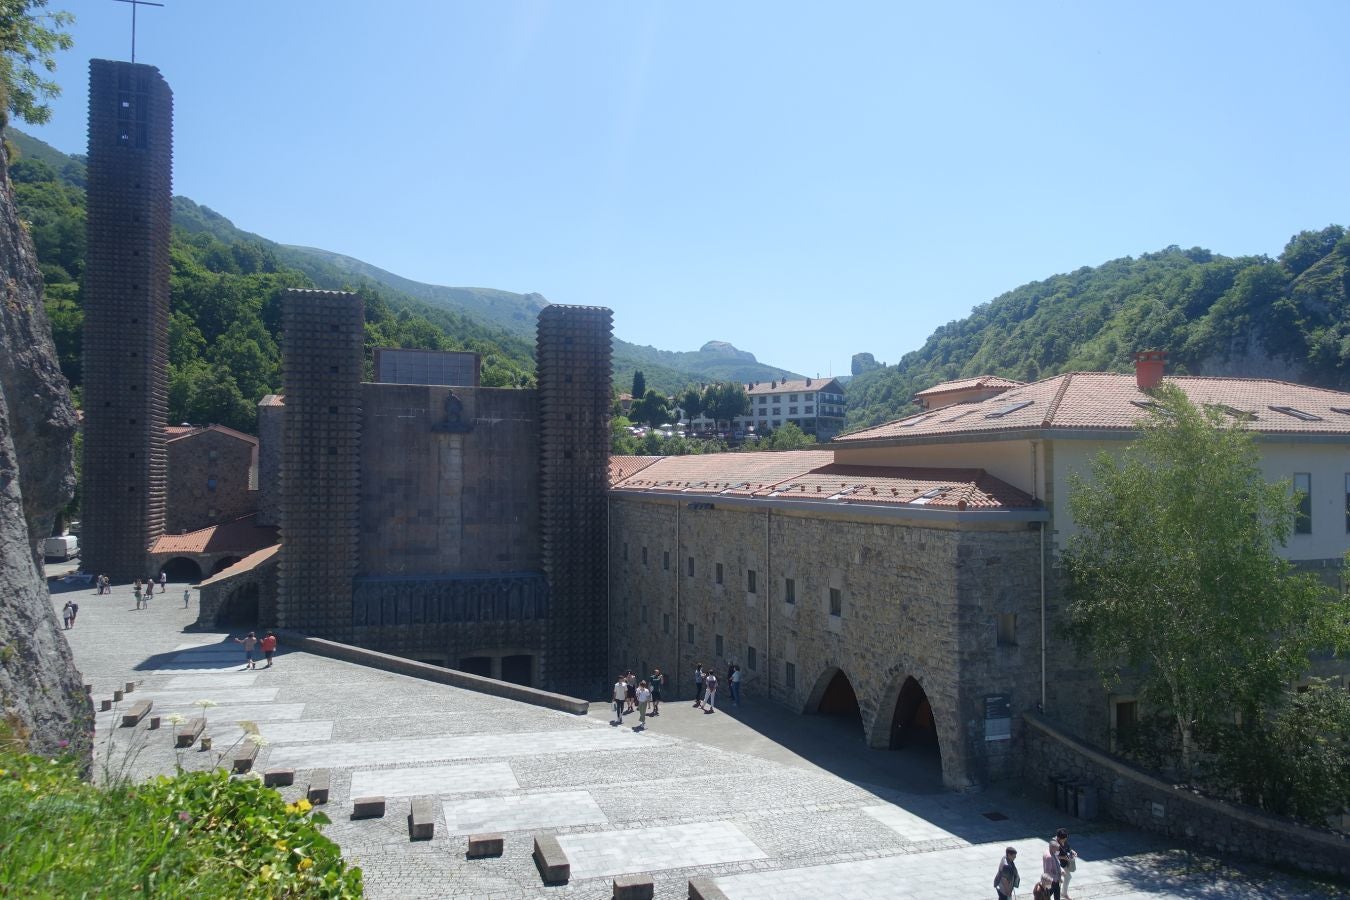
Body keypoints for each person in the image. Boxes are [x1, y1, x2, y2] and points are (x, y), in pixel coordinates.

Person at [1052, 828, 1077, 899]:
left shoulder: (1064, 840)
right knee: (1058, 881)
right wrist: (1064, 857)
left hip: (1064, 863)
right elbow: (1054, 856)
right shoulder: (1055, 844)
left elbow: (1068, 848)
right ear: (1059, 838)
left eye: (1066, 838)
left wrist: (1072, 851)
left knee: (1067, 877)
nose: (1065, 840)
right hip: (1057, 865)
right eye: (1064, 839)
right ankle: (1052, 894)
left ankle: (1063, 893)